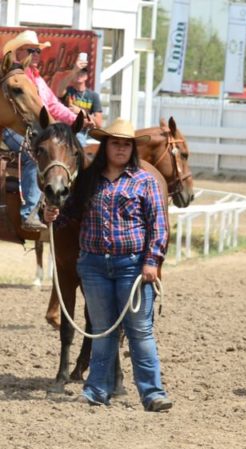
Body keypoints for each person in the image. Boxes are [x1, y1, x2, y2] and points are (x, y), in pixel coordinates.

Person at [43, 119, 171, 411]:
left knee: (140, 331)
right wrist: (51, 216)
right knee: (102, 330)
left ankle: (152, 392)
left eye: (126, 144)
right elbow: (68, 217)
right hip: (94, 266)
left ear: (132, 149)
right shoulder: (88, 181)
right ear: (106, 147)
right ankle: (96, 390)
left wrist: (152, 261)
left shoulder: (145, 181)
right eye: (115, 143)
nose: (121, 148)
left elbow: (159, 226)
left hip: (132, 266)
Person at [1, 29, 91, 232]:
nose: (35, 55)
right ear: (18, 52)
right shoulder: (17, 76)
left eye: (37, 51)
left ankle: (61, 203)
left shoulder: (37, 80)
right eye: (31, 50)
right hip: (12, 129)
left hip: (33, 129)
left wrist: (78, 119)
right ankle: (30, 212)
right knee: (33, 154)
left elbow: (53, 106)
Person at [63, 68, 103, 146]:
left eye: (82, 73)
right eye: (77, 72)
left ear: (86, 77)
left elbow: (99, 123)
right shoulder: (68, 92)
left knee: (80, 139)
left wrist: (83, 112)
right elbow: (59, 91)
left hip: (84, 133)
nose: (79, 74)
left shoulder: (93, 96)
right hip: (68, 129)